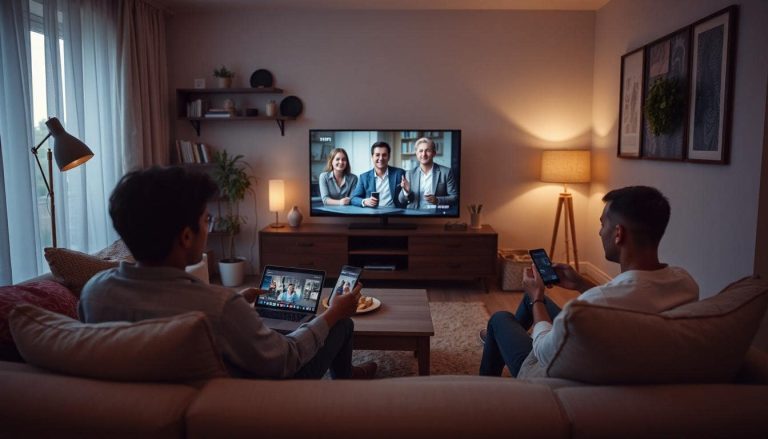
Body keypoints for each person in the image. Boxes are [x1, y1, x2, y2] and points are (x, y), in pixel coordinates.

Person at [79, 166, 376, 380]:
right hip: (266, 393)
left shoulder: (94, 292)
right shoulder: (218, 309)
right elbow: (285, 359)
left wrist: (232, 298)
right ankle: (344, 379)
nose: (209, 227)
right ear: (185, 236)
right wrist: (333, 313)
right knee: (340, 324)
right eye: (207, 219)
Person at [479, 186, 699, 377]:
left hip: (543, 372)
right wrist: (581, 284)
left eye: (603, 224)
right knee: (529, 302)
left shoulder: (596, 302)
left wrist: (538, 298)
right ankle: (500, 343)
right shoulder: (685, 283)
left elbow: (544, 352)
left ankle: (485, 385)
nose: (599, 231)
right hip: (607, 352)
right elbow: (623, 300)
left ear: (618, 234)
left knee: (500, 319)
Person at [398, 137, 457, 209]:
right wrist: (407, 192)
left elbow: (454, 197)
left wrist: (437, 200)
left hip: (437, 215)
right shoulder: (409, 174)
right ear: (416, 154)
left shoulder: (446, 172)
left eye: (427, 150)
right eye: (421, 151)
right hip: (415, 214)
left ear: (434, 153)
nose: (424, 154)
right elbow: (401, 200)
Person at [350, 141, 407, 208]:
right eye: (377, 155)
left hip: (394, 214)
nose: (381, 158)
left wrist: (406, 190)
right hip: (373, 215)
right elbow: (354, 198)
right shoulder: (364, 177)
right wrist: (365, 201)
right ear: (372, 157)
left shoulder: (400, 173)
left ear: (389, 157)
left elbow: (408, 197)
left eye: (384, 155)